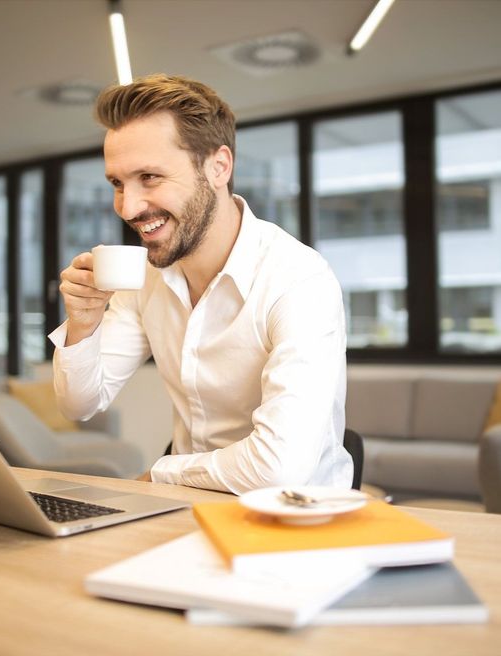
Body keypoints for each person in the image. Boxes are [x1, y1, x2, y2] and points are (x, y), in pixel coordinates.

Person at [48, 74, 353, 494]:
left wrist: (161, 472)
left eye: (150, 177)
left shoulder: (299, 280)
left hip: (294, 519)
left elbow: (279, 468)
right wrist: (83, 323)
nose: (129, 207)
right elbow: (79, 404)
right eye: (118, 184)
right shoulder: (147, 279)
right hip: (187, 510)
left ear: (218, 166)